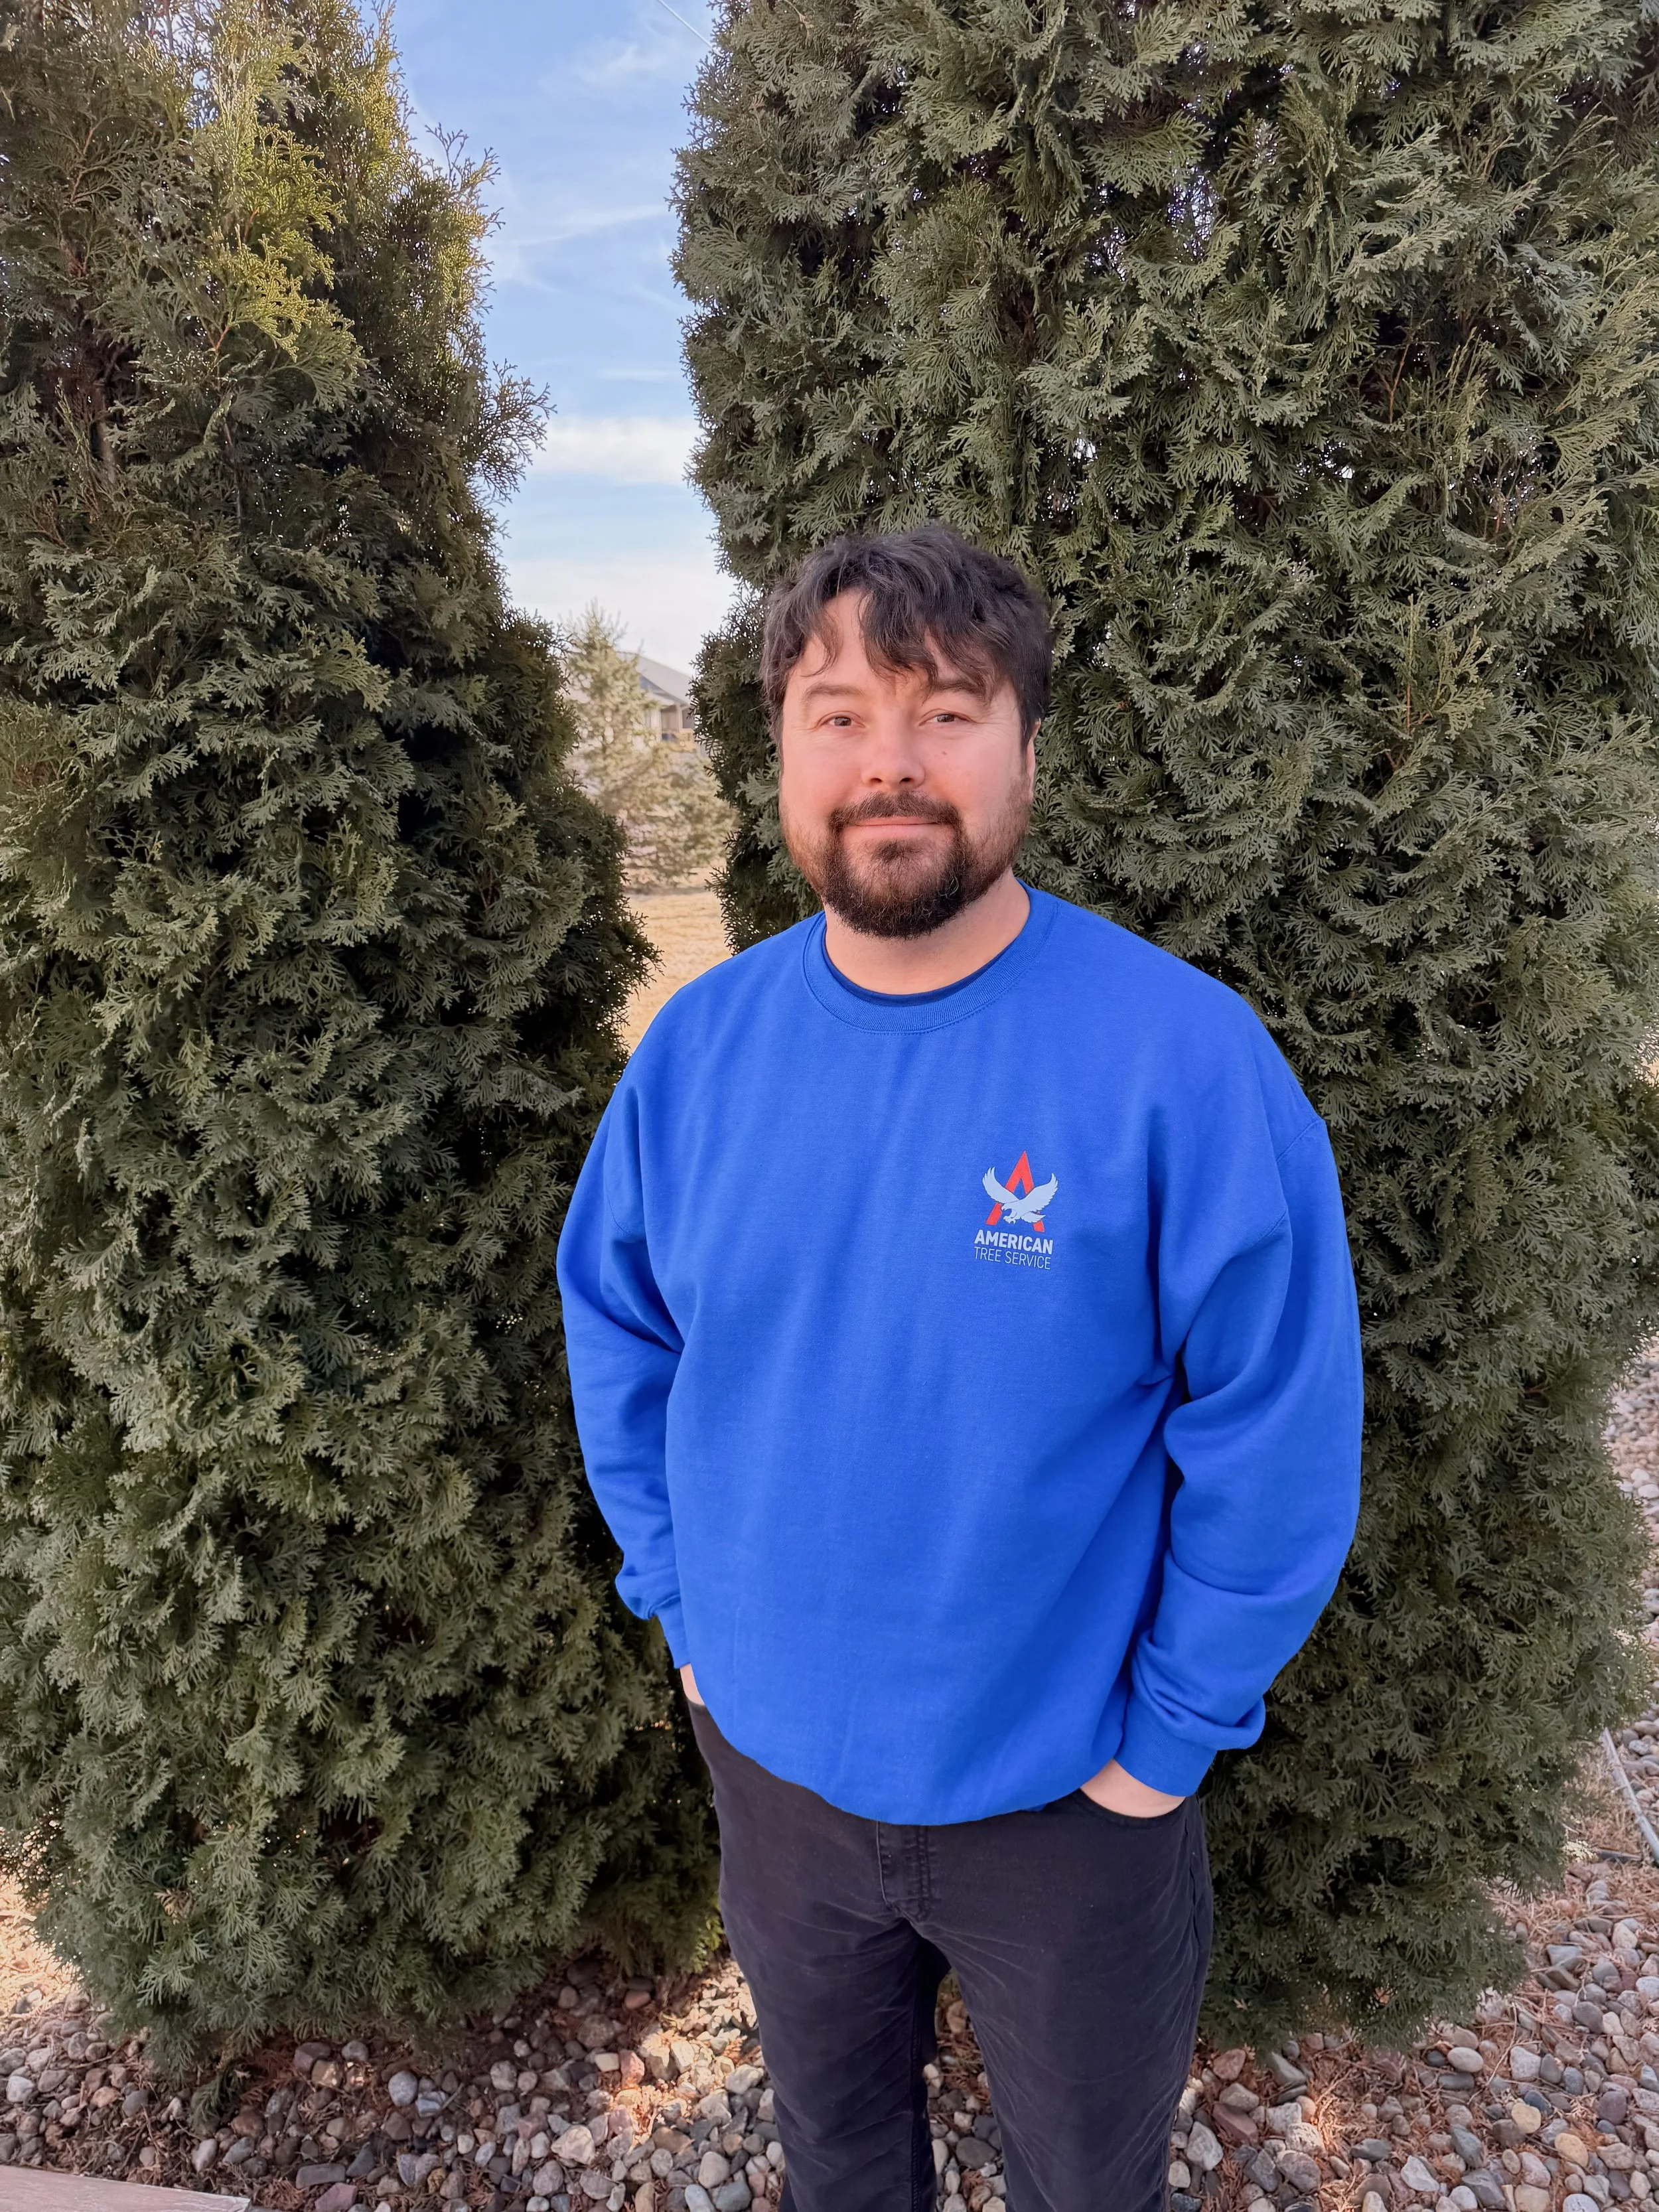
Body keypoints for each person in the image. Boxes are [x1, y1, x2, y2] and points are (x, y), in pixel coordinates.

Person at [556, 524, 1364, 2212]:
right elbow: (618, 1330)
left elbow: (1273, 1435)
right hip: (771, 1775)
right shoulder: (700, 1051)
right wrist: (686, 1615)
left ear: (1023, 747)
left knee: (1086, 2179)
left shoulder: (1181, 1062)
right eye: (838, 714)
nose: (888, 767)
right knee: (841, 2162)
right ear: (778, 746)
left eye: (947, 710)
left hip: (1069, 1804)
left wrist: (1164, 1740)